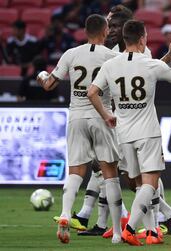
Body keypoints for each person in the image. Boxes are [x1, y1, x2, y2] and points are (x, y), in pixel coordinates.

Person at [87, 20, 171, 245]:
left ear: (124, 38)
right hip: (148, 132)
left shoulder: (111, 65)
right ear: (142, 38)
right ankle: (130, 229)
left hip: (123, 133)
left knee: (139, 183)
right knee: (150, 182)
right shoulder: (150, 63)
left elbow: (92, 92)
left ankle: (152, 232)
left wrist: (106, 115)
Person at [36, 14, 123, 244]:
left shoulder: (71, 54)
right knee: (110, 174)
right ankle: (116, 233)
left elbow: (49, 84)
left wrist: (41, 75)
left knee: (76, 171)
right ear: (105, 32)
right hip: (101, 116)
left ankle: (65, 213)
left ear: (85, 32)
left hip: (76, 116)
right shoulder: (113, 56)